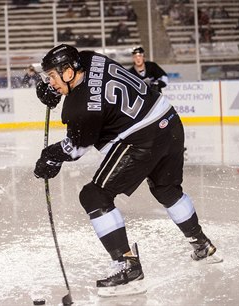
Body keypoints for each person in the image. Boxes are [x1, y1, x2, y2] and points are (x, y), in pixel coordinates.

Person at [34, 44, 219, 293]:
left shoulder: (81, 107)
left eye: (52, 77)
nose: (50, 82)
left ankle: (127, 266)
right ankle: (201, 244)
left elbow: (76, 148)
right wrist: (58, 90)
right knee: (166, 190)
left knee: (94, 195)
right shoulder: (88, 58)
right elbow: (87, 87)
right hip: (169, 120)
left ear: (68, 72)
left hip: (142, 138)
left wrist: (51, 157)